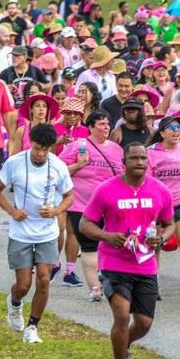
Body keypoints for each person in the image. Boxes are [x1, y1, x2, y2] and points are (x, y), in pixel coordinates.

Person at [79, 142, 175, 359]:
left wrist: (161, 240)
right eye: (134, 158)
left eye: (143, 158)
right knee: (122, 315)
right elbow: (85, 224)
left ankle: (124, 346)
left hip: (146, 264)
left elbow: (170, 224)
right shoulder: (106, 189)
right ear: (124, 162)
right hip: (114, 262)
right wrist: (107, 236)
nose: (140, 162)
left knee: (143, 323)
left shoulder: (160, 190)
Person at [0, 124, 74, 344]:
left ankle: (32, 327)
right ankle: (15, 303)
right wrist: (12, 211)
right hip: (21, 232)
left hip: (47, 232)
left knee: (44, 280)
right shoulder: (15, 162)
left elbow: (69, 196)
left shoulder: (58, 166)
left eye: (45, 149)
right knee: (24, 284)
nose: (40, 153)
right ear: (31, 144)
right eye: (37, 148)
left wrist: (56, 210)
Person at [58, 111, 125, 299]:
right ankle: (95, 288)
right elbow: (58, 171)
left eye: (107, 124)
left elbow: (123, 175)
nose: (106, 127)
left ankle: (109, 278)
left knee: (112, 243)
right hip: (81, 206)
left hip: (110, 206)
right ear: (90, 127)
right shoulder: (76, 147)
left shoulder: (116, 149)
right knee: (89, 245)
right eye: (101, 124)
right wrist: (78, 165)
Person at [146, 115, 180, 302]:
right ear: (161, 133)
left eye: (179, 127)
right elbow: (147, 183)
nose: (177, 130)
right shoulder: (150, 153)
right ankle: (152, 284)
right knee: (156, 244)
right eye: (172, 127)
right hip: (158, 205)